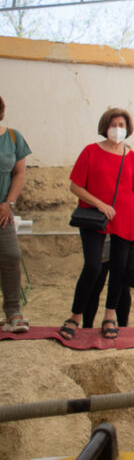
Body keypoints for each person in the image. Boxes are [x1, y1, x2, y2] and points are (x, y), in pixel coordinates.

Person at [59, 108, 134, 341]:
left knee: (118, 270)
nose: (118, 129)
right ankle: (75, 316)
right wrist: (100, 204)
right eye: (114, 124)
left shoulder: (133, 157)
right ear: (105, 126)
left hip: (126, 219)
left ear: (127, 129)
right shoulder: (90, 152)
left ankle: (110, 316)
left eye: (122, 125)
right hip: (94, 218)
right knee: (93, 267)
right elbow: (75, 186)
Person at [0, 95, 31, 333]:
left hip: (3, 212)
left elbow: (19, 173)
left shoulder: (12, 137)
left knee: (11, 257)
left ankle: (13, 312)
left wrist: (9, 202)